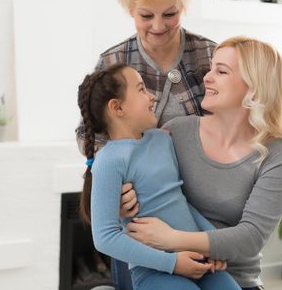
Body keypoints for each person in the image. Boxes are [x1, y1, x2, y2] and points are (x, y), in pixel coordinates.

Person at [74, 0, 282, 289]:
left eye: (170, 13)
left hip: (202, 228)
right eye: (145, 15)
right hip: (145, 230)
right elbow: (92, 129)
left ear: (183, 6)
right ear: (129, 11)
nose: (158, 26)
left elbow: (260, 117)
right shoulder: (115, 61)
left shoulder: (210, 55)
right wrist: (116, 186)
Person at [124, 36, 282, 289]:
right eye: (211, 68)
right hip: (167, 269)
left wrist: (173, 239)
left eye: (221, 71)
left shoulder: (277, 156)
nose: (207, 78)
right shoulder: (175, 133)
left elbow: (251, 237)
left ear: (254, 87)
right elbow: (144, 189)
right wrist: (126, 200)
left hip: (236, 279)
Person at [77, 63, 242, 290]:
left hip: (198, 259)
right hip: (154, 271)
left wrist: (212, 244)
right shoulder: (109, 161)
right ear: (117, 108)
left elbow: (179, 202)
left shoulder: (162, 140)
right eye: (141, 89)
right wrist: (172, 263)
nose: (151, 97)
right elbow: (105, 237)